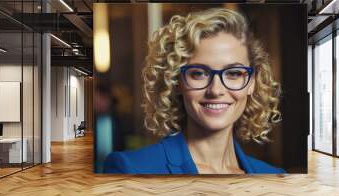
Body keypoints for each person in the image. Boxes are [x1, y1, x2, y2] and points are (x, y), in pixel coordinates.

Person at [104, 8, 284, 174]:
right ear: (176, 82)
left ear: (252, 82)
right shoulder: (129, 167)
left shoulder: (274, 176)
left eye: (234, 73)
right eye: (199, 73)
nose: (216, 90)